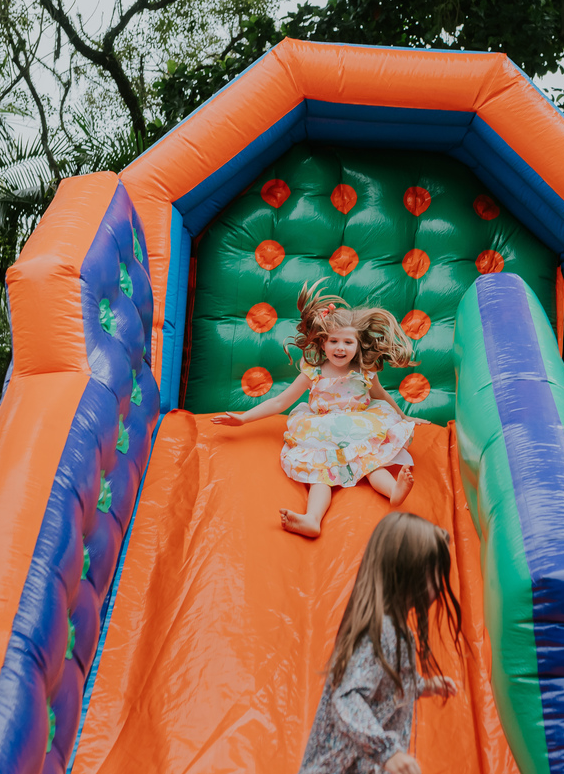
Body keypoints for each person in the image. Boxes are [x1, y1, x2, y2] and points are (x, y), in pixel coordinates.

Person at [212, 279, 429, 538]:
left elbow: (381, 396)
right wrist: (244, 418)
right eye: (334, 341)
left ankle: (394, 491)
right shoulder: (312, 372)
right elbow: (281, 402)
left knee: (372, 462)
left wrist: (404, 416)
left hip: (359, 426)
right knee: (320, 475)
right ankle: (312, 519)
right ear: (322, 343)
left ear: (358, 345)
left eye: (348, 342)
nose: (340, 348)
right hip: (322, 431)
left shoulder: (365, 371)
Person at [299, 512, 462, 774]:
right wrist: (387, 751)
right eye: (436, 575)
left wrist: (423, 686)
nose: (441, 587)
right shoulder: (380, 631)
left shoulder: (396, 630)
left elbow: (385, 681)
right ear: (409, 574)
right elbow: (348, 696)